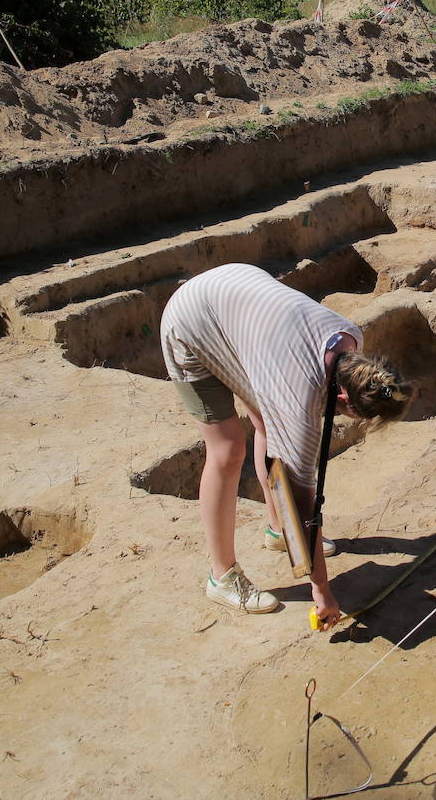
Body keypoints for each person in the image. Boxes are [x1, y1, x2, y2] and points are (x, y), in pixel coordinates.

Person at [159, 263, 412, 625]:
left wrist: (296, 538)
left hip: (239, 310)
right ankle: (222, 576)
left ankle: (277, 532)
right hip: (191, 326)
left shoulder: (350, 340)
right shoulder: (300, 397)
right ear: (344, 398)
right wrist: (321, 589)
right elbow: (299, 503)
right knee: (228, 450)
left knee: (266, 420)